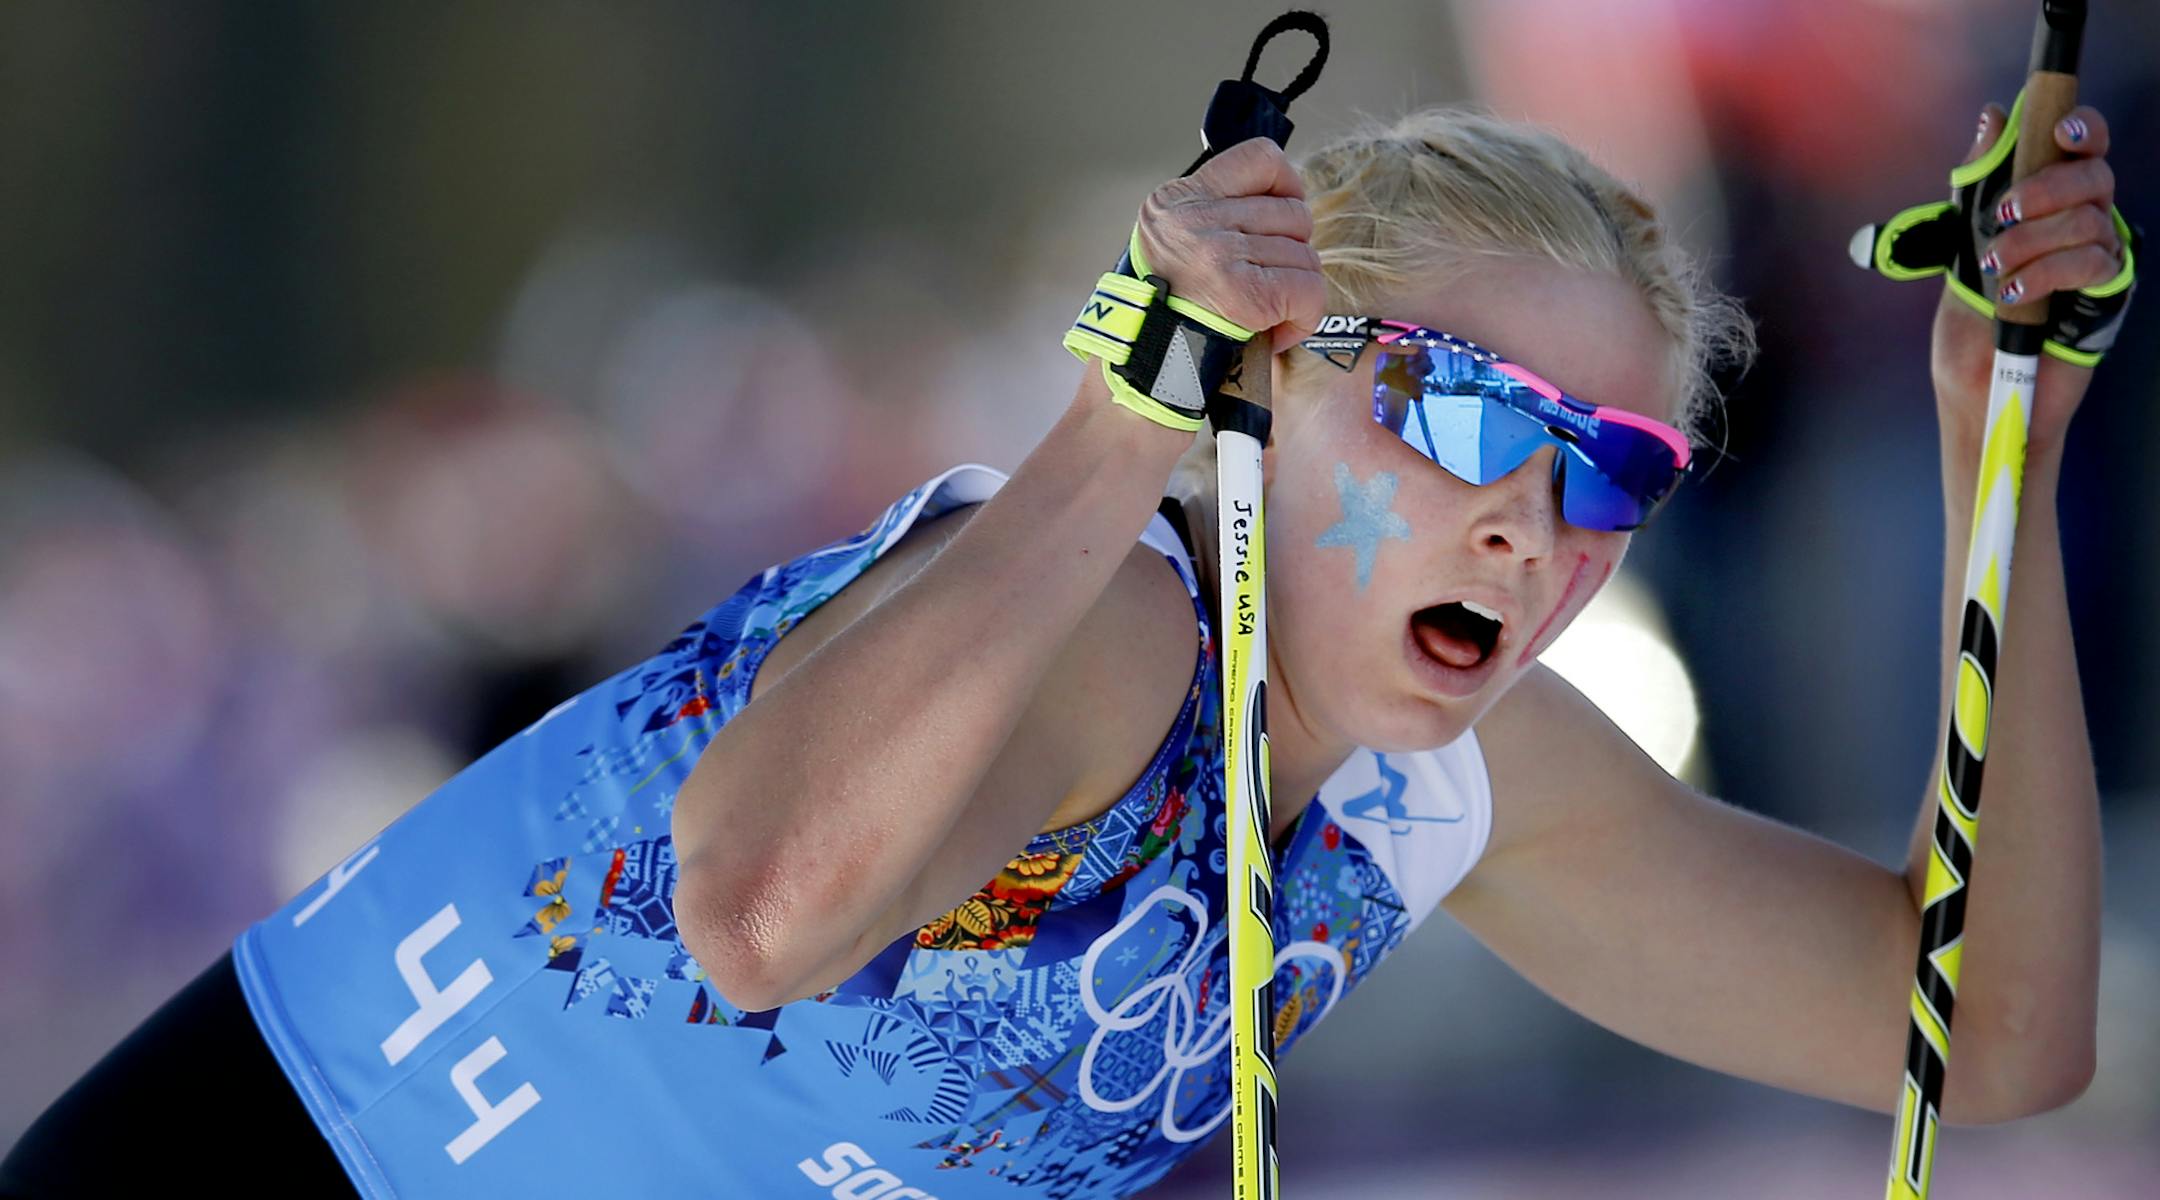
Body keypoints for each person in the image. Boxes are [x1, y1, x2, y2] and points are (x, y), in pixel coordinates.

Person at [1, 98, 2127, 1198]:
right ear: (1275, 384)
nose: (1524, 514)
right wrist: (1122, 417)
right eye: (1466, 410)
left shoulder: (1442, 784)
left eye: (1613, 473)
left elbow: (1984, 1043)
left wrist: (1998, 456)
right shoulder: (1120, 617)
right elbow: (751, 918)